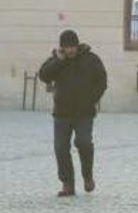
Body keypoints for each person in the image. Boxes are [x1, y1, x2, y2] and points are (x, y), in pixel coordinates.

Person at [38, 30, 108, 197]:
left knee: (83, 143)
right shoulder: (56, 60)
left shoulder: (91, 59)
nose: (70, 50)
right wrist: (58, 61)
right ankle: (67, 183)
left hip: (84, 112)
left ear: (77, 45)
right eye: (66, 47)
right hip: (62, 113)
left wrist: (91, 99)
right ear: (62, 48)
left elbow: (102, 81)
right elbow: (43, 76)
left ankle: (87, 175)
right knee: (61, 148)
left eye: (72, 46)